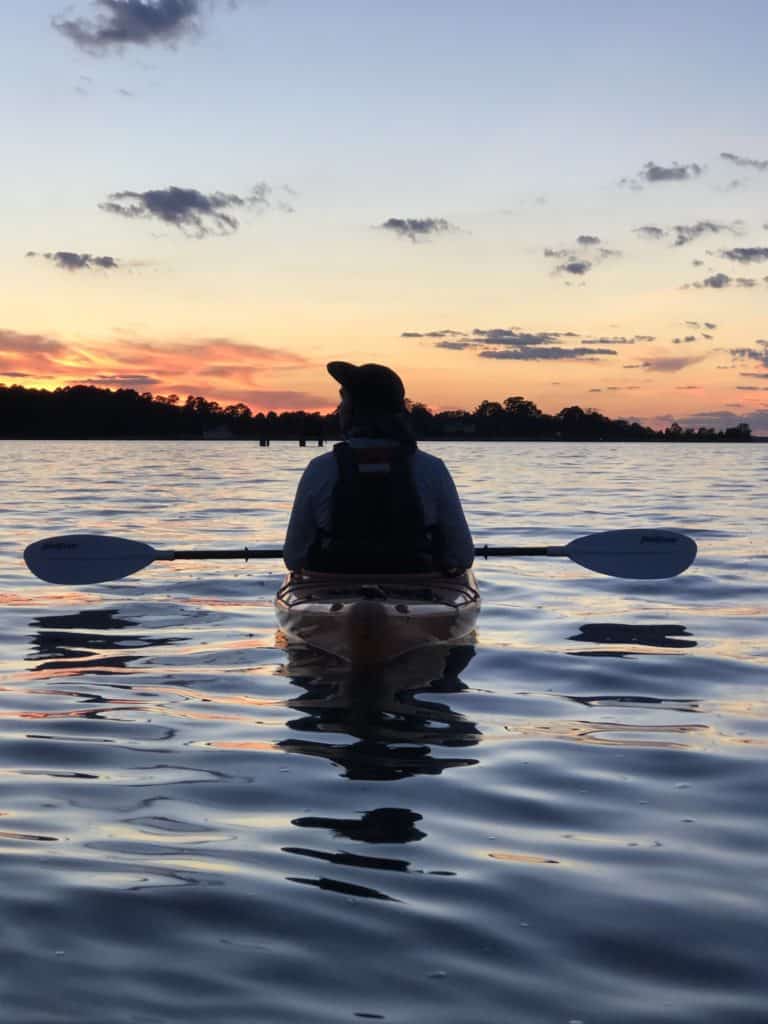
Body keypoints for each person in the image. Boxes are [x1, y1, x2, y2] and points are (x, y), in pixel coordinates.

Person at [283, 361, 474, 574]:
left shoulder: (320, 469)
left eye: (343, 401)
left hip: (335, 590)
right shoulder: (431, 468)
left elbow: (294, 557)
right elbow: (462, 556)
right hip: (419, 590)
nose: (340, 409)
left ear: (352, 410)